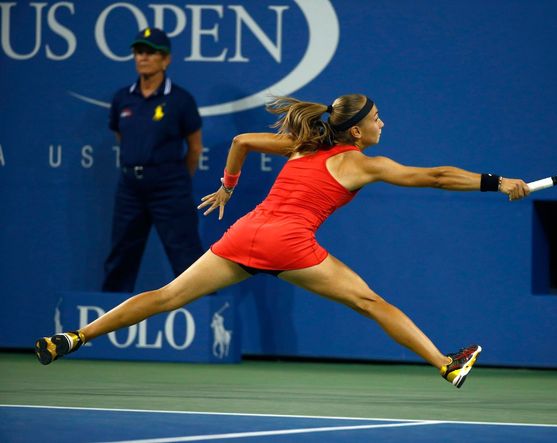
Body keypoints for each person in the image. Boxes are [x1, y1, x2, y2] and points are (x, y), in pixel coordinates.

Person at [36, 94, 530, 388]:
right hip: (290, 243)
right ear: (356, 131)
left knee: (167, 297)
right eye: (378, 119)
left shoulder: (303, 145)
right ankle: (446, 364)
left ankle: (75, 337)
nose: (384, 124)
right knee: (371, 303)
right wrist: (498, 181)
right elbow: (440, 176)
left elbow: (241, 142)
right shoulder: (362, 164)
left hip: (246, 233)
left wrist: (227, 189)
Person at [102, 27, 204, 292]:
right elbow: (121, 136)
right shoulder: (122, 98)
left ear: (166, 59)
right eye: (138, 52)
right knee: (120, 258)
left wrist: (172, 177)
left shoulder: (181, 100)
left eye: (150, 52)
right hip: (129, 188)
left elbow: (194, 148)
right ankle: (108, 322)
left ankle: (203, 316)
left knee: (186, 257)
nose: (142, 58)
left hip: (169, 187)